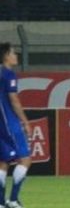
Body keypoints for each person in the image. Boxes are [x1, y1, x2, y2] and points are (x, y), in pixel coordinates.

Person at [0, 43, 32, 208]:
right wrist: (25, 122)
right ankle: (13, 199)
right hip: (8, 122)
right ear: (6, 56)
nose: (16, 55)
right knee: (25, 159)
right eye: (13, 53)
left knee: (4, 161)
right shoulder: (9, 75)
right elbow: (14, 100)